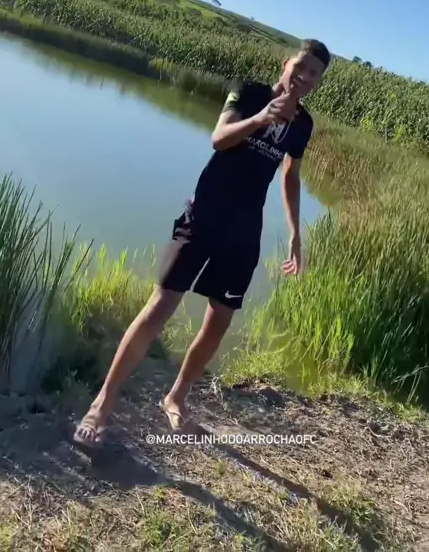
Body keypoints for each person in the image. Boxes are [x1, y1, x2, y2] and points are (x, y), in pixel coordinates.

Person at [73, 38, 331, 447]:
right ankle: (101, 405)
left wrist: (296, 235)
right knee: (160, 307)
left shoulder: (303, 125)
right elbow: (219, 138)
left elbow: (290, 176)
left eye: (314, 73)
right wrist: (261, 118)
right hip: (204, 215)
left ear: (318, 81)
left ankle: (176, 397)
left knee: (220, 320)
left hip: (244, 230)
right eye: (300, 66)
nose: (304, 76)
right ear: (286, 63)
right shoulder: (249, 93)